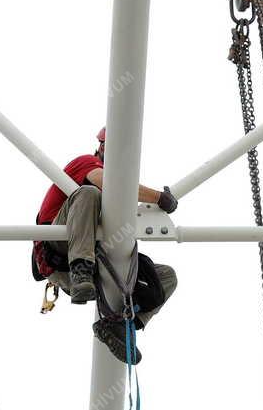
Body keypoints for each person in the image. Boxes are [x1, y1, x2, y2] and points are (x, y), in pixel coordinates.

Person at [33, 127, 179, 363]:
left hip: (96, 261)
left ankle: (121, 326)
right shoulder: (86, 163)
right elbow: (109, 185)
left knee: (166, 277)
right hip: (61, 248)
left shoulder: (117, 194)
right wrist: (159, 197)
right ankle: (81, 269)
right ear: (102, 147)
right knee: (89, 193)